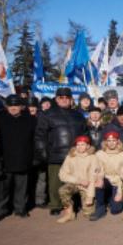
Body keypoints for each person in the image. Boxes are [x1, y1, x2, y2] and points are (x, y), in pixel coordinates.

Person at [34, 87, 86, 216]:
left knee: (74, 180)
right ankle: (56, 205)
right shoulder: (47, 114)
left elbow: (85, 133)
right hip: (55, 154)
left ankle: (75, 203)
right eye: (61, 98)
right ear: (56, 99)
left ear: (71, 99)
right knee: (55, 182)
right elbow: (40, 136)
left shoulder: (78, 115)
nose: (64, 100)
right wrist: (43, 152)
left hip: (75, 155)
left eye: (67, 98)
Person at [0, 95, 36, 219]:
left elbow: (34, 139)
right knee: (4, 189)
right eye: (11, 105)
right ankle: (2, 210)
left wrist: (33, 157)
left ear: (21, 106)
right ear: (7, 106)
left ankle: (20, 208)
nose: (13, 108)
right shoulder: (0, 119)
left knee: (21, 187)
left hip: (23, 158)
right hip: (5, 160)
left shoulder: (30, 119)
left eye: (16, 105)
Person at [56, 135, 100, 224]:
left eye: (83, 144)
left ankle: (91, 204)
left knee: (88, 214)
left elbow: (93, 177)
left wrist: (90, 196)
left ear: (88, 146)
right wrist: (78, 180)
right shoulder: (70, 157)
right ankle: (69, 214)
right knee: (63, 190)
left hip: (88, 186)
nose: (80, 147)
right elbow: (62, 174)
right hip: (74, 183)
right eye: (78, 145)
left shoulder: (93, 157)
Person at [91, 131, 123, 221]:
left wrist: (120, 192)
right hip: (106, 179)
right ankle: (100, 208)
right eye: (109, 140)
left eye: (114, 140)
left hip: (118, 181)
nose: (111, 143)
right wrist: (100, 178)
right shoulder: (100, 154)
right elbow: (98, 169)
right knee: (98, 182)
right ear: (105, 142)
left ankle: (112, 199)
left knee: (115, 210)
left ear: (118, 141)